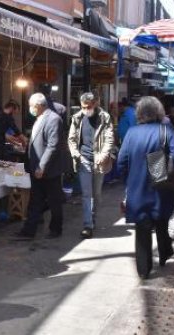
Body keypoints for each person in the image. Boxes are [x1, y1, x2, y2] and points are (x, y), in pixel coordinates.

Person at [116, 96, 174, 279]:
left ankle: (143, 269)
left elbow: (121, 161)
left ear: (139, 114)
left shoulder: (132, 133)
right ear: (159, 112)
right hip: (161, 182)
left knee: (142, 227)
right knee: (161, 219)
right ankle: (165, 252)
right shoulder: (166, 130)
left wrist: (128, 180)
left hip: (137, 186)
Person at [13, 93, 65, 240]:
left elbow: (52, 146)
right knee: (35, 201)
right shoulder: (39, 118)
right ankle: (29, 231)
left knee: (54, 201)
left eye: (32, 106)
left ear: (39, 105)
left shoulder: (53, 119)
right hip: (36, 169)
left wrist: (42, 167)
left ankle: (56, 229)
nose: (30, 109)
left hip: (48, 170)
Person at [67, 92, 116, 239]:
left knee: (97, 194)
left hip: (99, 160)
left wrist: (104, 155)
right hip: (84, 160)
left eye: (89, 106)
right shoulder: (77, 117)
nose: (86, 109)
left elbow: (109, 138)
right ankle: (87, 225)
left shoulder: (105, 117)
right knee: (86, 194)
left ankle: (93, 218)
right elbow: (71, 139)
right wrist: (76, 154)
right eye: (83, 107)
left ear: (96, 103)